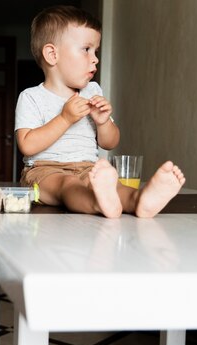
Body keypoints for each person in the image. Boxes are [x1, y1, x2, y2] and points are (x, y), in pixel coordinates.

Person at [16, 6, 185, 218]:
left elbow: (110, 143)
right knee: (67, 185)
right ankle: (98, 202)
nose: (95, 58)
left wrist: (103, 123)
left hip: (89, 168)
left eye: (96, 51)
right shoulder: (32, 97)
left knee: (115, 184)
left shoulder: (92, 91)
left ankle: (140, 200)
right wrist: (65, 118)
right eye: (86, 49)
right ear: (52, 54)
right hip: (45, 170)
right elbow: (27, 145)